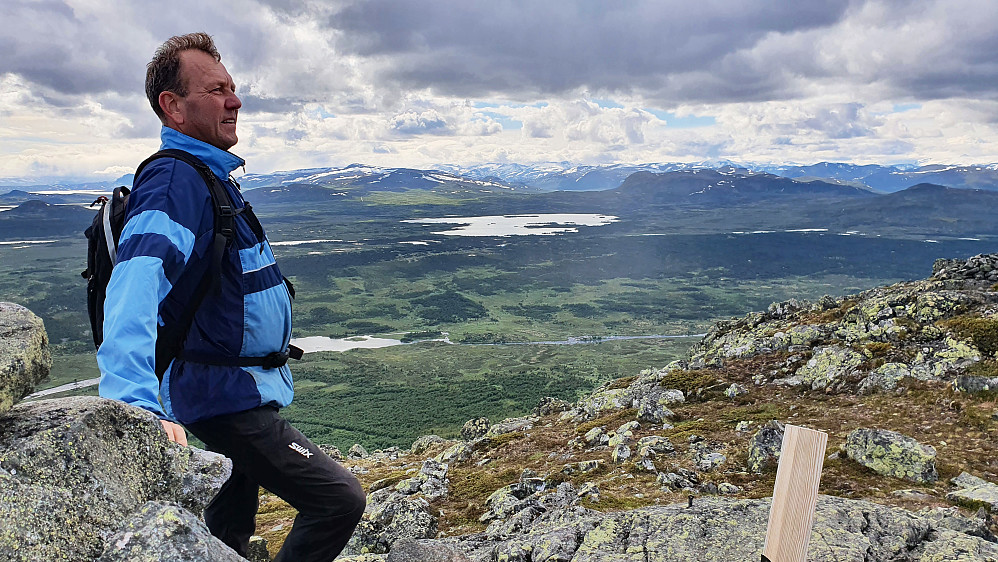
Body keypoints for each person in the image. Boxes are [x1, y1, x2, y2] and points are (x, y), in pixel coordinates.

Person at [96, 32, 365, 561]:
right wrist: (134, 406)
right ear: (172, 106)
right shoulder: (177, 181)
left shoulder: (207, 176)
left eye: (233, 88)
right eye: (217, 89)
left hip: (233, 388)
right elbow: (135, 283)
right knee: (338, 499)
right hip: (221, 399)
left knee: (229, 523)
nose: (234, 100)